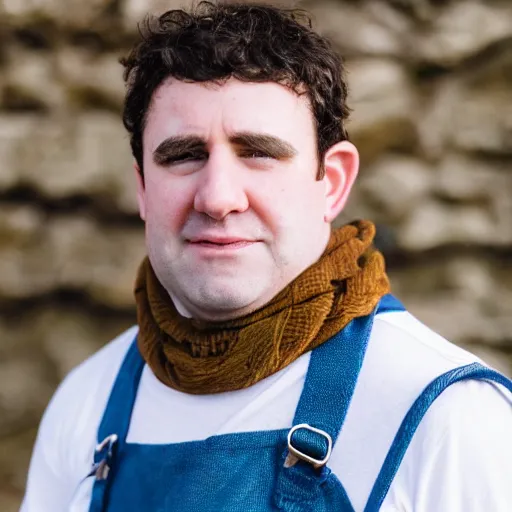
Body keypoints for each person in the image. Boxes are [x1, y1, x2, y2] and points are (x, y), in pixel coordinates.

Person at [21, 2, 512, 511]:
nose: (217, 197)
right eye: (184, 156)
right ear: (142, 187)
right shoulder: (86, 400)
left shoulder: (445, 417)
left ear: (333, 181)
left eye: (258, 152)